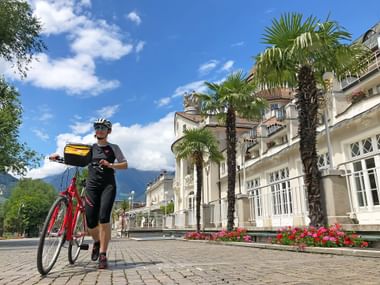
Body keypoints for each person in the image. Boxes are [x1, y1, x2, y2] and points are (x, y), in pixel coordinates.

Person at [50, 118, 128, 269]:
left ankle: (103, 255)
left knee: (104, 218)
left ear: (108, 131)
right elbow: (76, 159)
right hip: (91, 186)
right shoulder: (90, 148)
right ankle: (97, 242)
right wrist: (58, 157)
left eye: (103, 127)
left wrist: (110, 164)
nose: (99, 129)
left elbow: (124, 164)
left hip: (108, 185)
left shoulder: (113, 148)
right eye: (97, 127)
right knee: (91, 222)